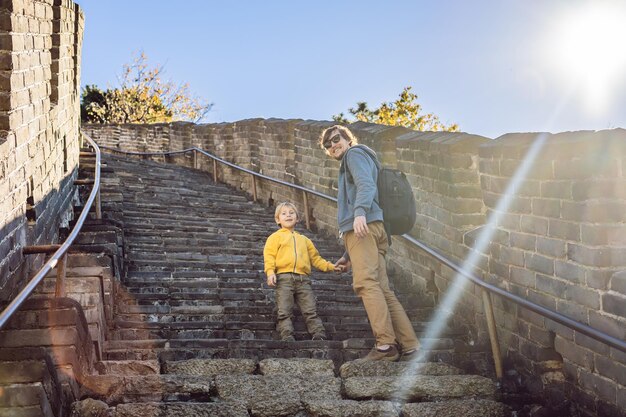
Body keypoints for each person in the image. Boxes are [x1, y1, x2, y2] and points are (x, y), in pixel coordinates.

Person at [320, 125, 420, 361]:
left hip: (365, 228)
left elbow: (366, 184)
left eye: (336, 139)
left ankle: (385, 346)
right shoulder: (364, 157)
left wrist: (360, 212)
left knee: (366, 283)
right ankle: (411, 345)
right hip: (375, 229)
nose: (333, 145)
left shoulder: (354, 154)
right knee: (383, 289)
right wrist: (347, 254)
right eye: (328, 145)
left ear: (348, 138)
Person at [263, 201, 340, 341]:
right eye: (284, 213)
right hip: (284, 278)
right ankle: (286, 334)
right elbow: (269, 256)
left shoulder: (304, 240)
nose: (288, 216)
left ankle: (318, 334)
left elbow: (316, 259)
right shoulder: (275, 237)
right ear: (277, 219)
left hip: (303, 280)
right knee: (284, 309)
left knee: (310, 309)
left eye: (291, 213)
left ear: (297, 218)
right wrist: (270, 272)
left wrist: (331, 267)